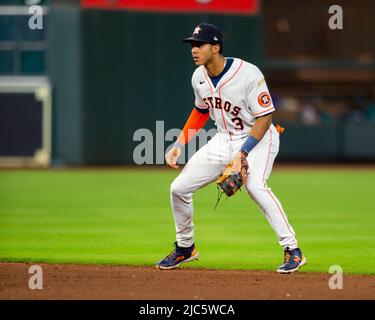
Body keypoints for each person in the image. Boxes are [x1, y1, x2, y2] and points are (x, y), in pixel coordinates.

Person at [156, 23, 306, 274]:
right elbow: (201, 111)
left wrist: (243, 153)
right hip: (224, 138)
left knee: (255, 186)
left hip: (258, 137)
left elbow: (265, 117)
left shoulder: (248, 74)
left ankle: (293, 250)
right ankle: (185, 248)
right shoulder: (198, 77)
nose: (194, 50)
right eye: (192, 45)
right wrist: (179, 143)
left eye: (199, 45)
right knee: (178, 188)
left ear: (216, 47)